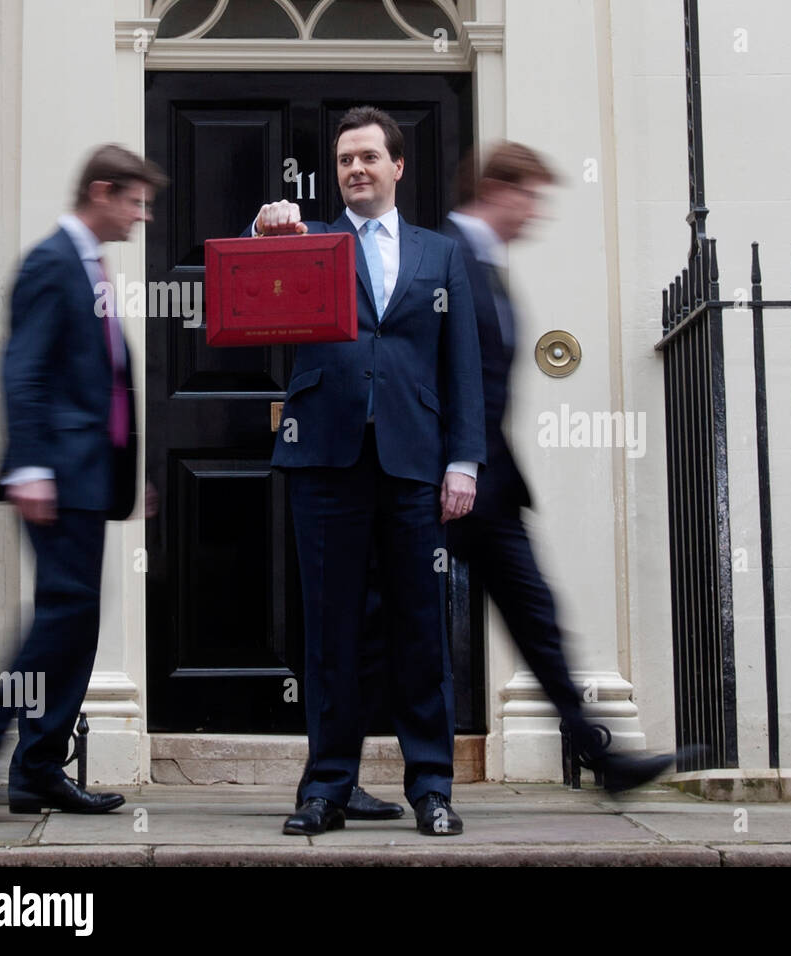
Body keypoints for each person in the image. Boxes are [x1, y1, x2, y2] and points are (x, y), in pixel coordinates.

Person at [251, 106, 485, 836]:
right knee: (331, 632)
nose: (356, 168)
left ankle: (432, 788)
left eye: (369, 157)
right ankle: (327, 787)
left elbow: (462, 368)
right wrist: (265, 227)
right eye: (346, 158)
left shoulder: (440, 255)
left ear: (397, 166)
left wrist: (464, 461)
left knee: (421, 630)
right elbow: (254, 282)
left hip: (415, 464)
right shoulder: (308, 241)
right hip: (326, 460)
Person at [441, 142, 684, 791]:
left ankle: (602, 757)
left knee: (536, 616)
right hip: (445, 482)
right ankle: (348, 768)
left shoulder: (488, 265)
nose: (536, 214)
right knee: (390, 623)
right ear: (499, 190)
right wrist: (450, 464)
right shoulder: (446, 255)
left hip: (490, 485)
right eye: (531, 197)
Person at [0, 144, 165, 813]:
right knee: (62, 616)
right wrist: (27, 465)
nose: (141, 217)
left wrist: (124, 475)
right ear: (102, 191)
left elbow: (102, 382)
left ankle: (36, 770)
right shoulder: (53, 262)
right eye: (135, 202)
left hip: (87, 479)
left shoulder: (90, 268)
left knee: (74, 621)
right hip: (53, 474)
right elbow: (22, 368)